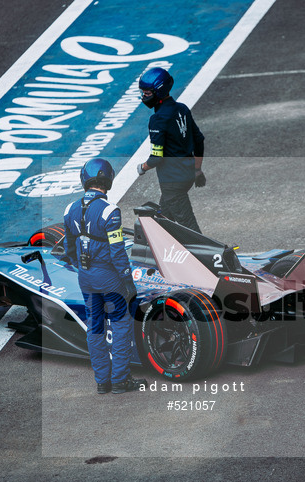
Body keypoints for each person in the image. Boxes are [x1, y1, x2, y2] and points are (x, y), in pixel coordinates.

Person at [63, 158, 147, 394]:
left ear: (84, 180)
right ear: (108, 180)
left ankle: (102, 382)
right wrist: (128, 281)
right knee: (121, 324)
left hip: (85, 277)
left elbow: (69, 249)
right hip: (109, 277)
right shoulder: (111, 211)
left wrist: (82, 266)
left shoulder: (69, 209)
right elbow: (117, 251)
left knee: (95, 327)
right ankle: (120, 380)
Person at [136, 67, 206, 233]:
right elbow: (199, 140)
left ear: (158, 92)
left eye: (147, 93)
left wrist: (142, 168)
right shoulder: (182, 109)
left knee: (190, 228)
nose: (144, 97)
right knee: (162, 221)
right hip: (187, 175)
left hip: (172, 182)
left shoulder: (157, 119)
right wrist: (197, 169)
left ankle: (207, 257)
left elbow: (156, 158)